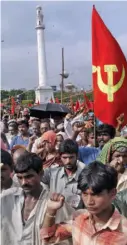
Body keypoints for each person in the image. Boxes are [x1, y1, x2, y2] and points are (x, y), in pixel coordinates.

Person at [40, 161, 127, 245]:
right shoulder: (78, 218)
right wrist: (50, 211)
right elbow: (49, 238)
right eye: (84, 194)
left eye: (96, 195)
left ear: (112, 193)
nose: (89, 202)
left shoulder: (124, 231)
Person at [1, 153, 74, 245]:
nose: (24, 182)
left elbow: (69, 235)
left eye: (28, 177)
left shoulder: (54, 203)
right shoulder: (6, 198)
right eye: (20, 177)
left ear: (41, 174)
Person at [42, 139, 85, 209]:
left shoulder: (85, 175)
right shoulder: (51, 174)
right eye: (65, 158)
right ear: (60, 157)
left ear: (77, 156)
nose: (68, 161)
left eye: (71, 157)